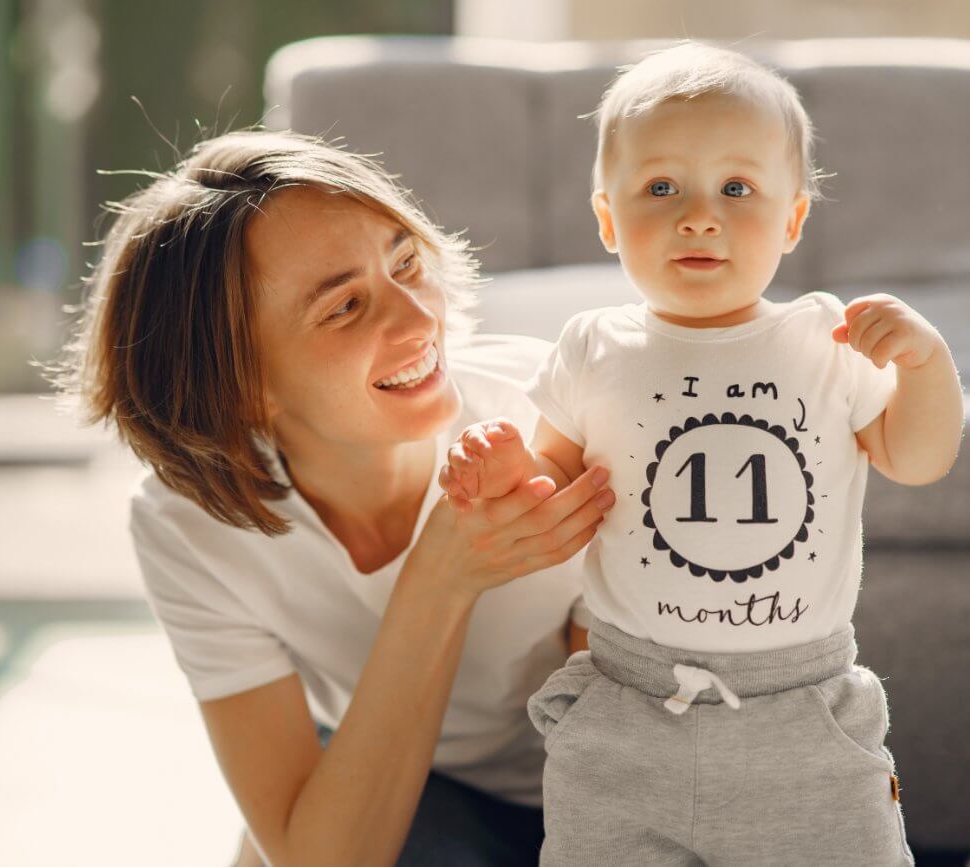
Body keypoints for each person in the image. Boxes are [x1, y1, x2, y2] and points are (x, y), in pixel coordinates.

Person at [439, 42, 964, 865]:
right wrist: (509, 476)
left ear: (793, 219)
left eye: (737, 188)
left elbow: (918, 456)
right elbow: (558, 494)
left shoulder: (823, 338)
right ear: (607, 218)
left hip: (800, 713)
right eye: (660, 188)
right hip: (628, 706)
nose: (698, 216)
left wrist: (927, 363)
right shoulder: (593, 345)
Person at [45, 129, 617, 866]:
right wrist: (441, 577)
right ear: (240, 387)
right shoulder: (187, 524)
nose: (418, 321)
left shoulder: (565, 417)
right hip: (422, 781)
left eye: (406, 262)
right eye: (344, 307)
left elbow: (627, 756)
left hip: (599, 786)